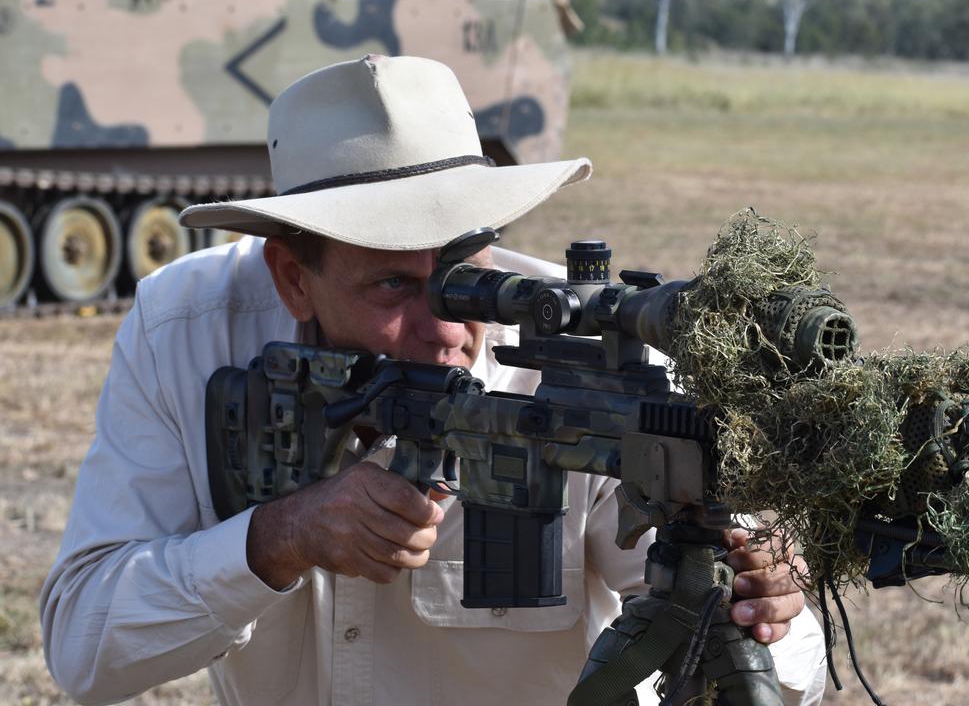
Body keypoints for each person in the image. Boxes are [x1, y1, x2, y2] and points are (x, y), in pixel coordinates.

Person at [39, 55, 827, 705]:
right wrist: (276, 539)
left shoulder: (599, 356)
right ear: (292, 278)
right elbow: (85, 648)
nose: (449, 325)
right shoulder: (189, 329)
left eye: (465, 273)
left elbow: (787, 666)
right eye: (392, 287)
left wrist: (768, 607)